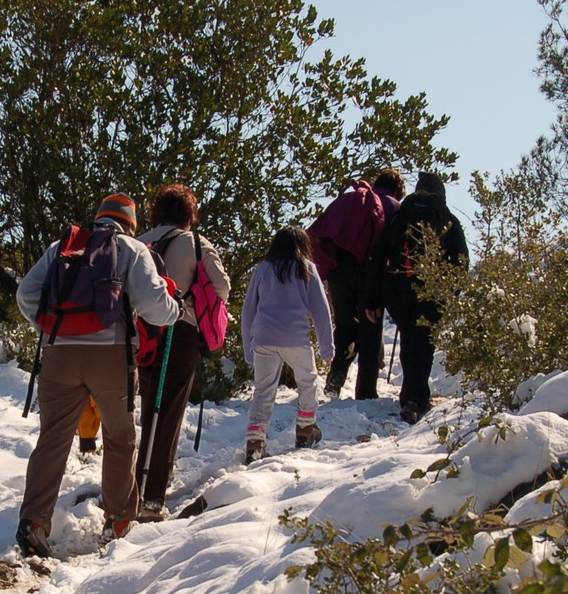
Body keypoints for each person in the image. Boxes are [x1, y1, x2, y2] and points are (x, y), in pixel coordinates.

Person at [15, 194, 180, 556]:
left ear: (99, 218)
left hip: (58, 354)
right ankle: (119, 520)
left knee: (53, 438)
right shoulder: (132, 249)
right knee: (120, 438)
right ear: (130, 224)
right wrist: (175, 309)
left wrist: (51, 328)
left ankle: (34, 521)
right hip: (111, 356)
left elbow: (25, 294)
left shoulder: (63, 247)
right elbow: (155, 307)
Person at [134, 184, 231, 520]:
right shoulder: (195, 243)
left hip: (142, 333)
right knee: (168, 413)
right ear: (190, 214)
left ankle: (134, 485)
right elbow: (222, 287)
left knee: (149, 409)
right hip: (179, 332)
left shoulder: (138, 243)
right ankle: (151, 498)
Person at [364, 171, 470, 424]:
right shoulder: (447, 219)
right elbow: (461, 261)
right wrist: (451, 293)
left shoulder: (400, 215)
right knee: (423, 343)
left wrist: (373, 299)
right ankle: (415, 399)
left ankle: (411, 396)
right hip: (432, 291)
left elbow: (377, 256)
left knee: (409, 338)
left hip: (397, 289)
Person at [239, 226, 335, 463]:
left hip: (264, 338)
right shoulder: (307, 268)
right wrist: (327, 348)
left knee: (264, 390)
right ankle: (305, 429)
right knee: (307, 381)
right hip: (295, 337)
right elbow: (321, 310)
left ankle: (255, 443)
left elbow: (248, 311)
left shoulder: (262, 270)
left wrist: (249, 349)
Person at [309, 169, 404, 399]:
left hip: (339, 271)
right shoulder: (393, 206)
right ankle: (366, 391)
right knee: (371, 329)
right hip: (370, 274)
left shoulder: (350, 199)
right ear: (396, 190)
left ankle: (336, 376)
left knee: (344, 326)